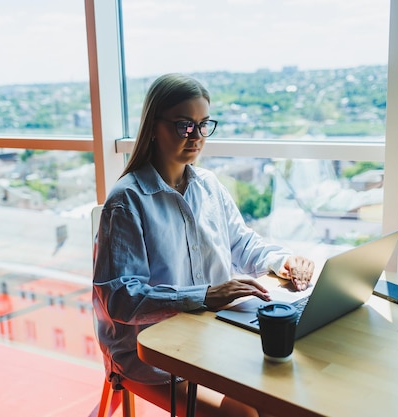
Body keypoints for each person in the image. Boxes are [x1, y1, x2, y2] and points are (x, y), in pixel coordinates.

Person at [92, 73, 315, 417]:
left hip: (210, 332)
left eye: (203, 125)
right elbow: (121, 299)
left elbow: (241, 242)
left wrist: (281, 260)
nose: (196, 137)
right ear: (153, 126)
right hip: (149, 354)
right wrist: (204, 296)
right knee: (245, 415)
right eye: (184, 126)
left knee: (290, 395)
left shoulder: (208, 185)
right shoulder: (127, 202)